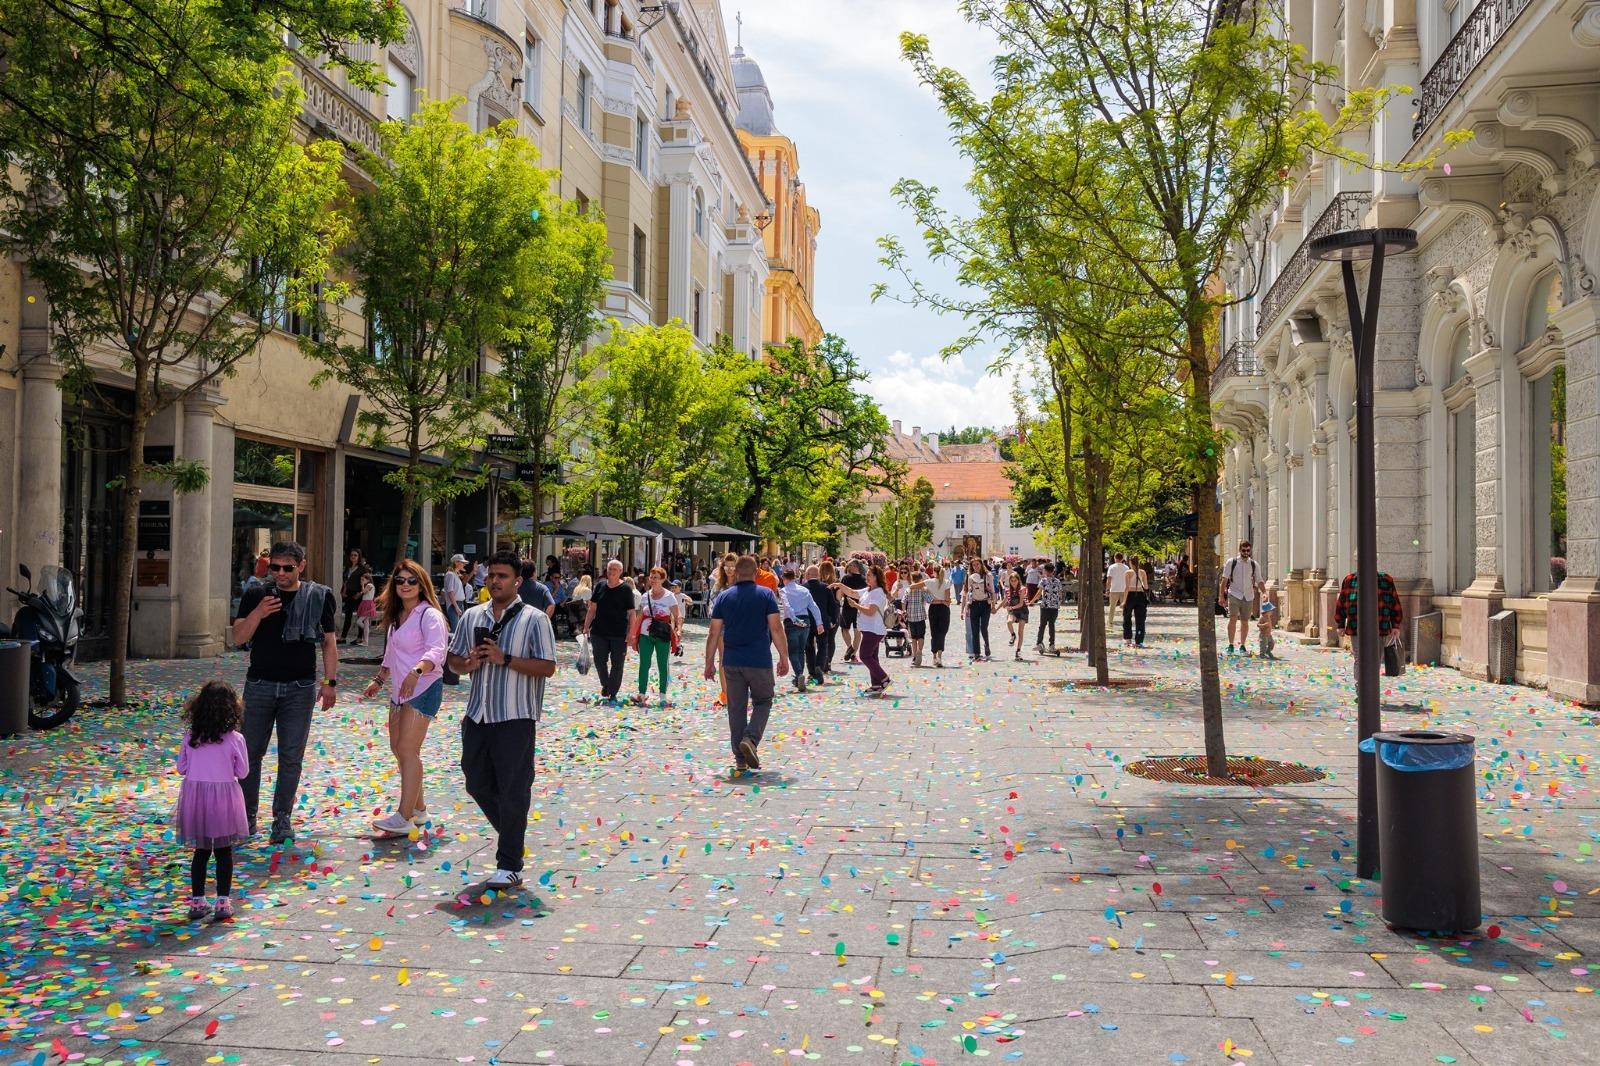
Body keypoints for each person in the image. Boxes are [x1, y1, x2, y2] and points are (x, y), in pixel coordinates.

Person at [445, 550, 557, 891]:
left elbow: (547, 666)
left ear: (517, 581)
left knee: (513, 789)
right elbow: (452, 661)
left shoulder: (535, 619)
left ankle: (509, 863)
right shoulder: (471, 616)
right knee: (476, 782)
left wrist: (504, 658)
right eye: (491, 575)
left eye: (503, 576)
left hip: (515, 715)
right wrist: (469, 664)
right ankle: (513, 834)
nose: (495, 581)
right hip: (478, 713)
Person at [230, 540, 337, 845]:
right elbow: (238, 637)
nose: (279, 573)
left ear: (301, 566)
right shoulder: (256, 593)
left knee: (291, 757)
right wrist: (258, 614)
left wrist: (329, 683)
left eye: (287, 568)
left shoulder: (319, 596)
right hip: (260, 684)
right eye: (274, 567)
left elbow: (329, 642)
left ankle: (282, 820)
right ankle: (246, 818)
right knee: (249, 754)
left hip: (300, 688)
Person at [362, 559, 449, 835]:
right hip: (399, 690)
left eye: (412, 580)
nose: (405, 585)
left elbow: (437, 651)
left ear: (421, 584)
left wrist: (416, 670)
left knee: (408, 750)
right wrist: (379, 679)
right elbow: (391, 654)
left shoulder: (429, 615)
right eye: (400, 580)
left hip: (423, 688)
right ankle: (419, 809)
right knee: (398, 749)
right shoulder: (397, 617)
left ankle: (404, 816)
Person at [704, 555, 790, 774]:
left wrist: (709, 663)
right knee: (763, 701)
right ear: (755, 574)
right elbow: (776, 628)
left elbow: (714, 632)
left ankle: (740, 759)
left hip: (731, 662)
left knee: (736, 708)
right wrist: (783, 656)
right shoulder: (766, 595)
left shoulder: (724, 597)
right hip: (759, 660)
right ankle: (750, 739)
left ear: (737, 573)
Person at [173, 681, 250, 921]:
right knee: (224, 851)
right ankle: (223, 902)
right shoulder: (236, 738)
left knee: (201, 851)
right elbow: (244, 772)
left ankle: (197, 902)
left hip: (196, 799)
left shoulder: (191, 736)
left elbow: (181, 768)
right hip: (225, 799)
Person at [835, 565, 891, 694]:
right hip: (868, 629)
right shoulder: (868, 590)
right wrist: (839, 585)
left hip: (874, 629)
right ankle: (876, 685)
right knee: (873, 657)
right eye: (867, 574)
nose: (867, 576)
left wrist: (856, 605)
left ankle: (884, 678)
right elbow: (853, 592)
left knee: (864, 655)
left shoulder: (878, 592)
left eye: (870, 575)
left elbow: (871, 611)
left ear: (877, 577)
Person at [583, 559, 632, 702]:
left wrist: (630, 633)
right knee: (599, 661)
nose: (611, 572)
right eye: (610, 569)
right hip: (599, 631)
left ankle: (612, 691)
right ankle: (606, 684)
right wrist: (586, 626)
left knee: (617, 664)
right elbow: (592, 608)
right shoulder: (600, 586)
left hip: (619, 633)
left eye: (615, 570)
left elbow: (632, 614)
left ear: (620, 572)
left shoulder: (626, 589)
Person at [1334, 570, 1405, 666]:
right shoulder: (1349, 580)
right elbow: (1341, 603)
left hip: (1379, 625)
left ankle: (1371, 680)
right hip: (1356, 625)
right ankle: (1359, 681)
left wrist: (1396, 625)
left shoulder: (1386, 579)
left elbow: (1394, 602)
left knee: (1376, 659)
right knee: (1359, 659)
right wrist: (1340, 624)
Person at [631, 567, 680, 704]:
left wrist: (679, 630)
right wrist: (633, 633)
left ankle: (663, 695)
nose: (652, 580)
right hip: (645, 634)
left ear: (663, 579)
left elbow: (677, 616)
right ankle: (641, 694)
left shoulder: (669, 596)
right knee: (644, 664)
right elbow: (641, 615)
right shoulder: (645, 596)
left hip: (662, 634)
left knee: (662, 664)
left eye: (656, 578)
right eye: (651, 577)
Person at [777, 568, 824, 692]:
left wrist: (794, 619)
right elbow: (814, 607)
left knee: (792, 651)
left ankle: (799, 675)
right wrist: (819, 623)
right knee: (801, 650)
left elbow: (786, 607)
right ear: (795, 577)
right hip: (806, 620)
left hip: (792, 623)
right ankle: (799, 676)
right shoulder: (804, 590)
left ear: (783, 578)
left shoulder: (783, 591)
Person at [1218, 541, 1265, 655]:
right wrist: (1221, 596)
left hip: (1248, 596)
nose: (1246, 553)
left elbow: (1259, 580)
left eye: (1248, 550)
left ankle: (1243, 645)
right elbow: (1224, 579)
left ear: (1250, 551)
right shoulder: (1232, 562)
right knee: (1233, 618)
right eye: (1243, 550)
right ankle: (1230, 645)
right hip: (1234, 594)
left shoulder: (1254, 564)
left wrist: (1264, 592)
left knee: (1245, 621)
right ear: (1240, 550)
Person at [803, 563, 839, 680]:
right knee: (823, 646)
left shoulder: (803, 588)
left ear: (807, 575)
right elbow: (833, 607)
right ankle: (819, 666)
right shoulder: (825, 587)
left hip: (807, 622)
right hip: (822, 622)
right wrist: (833, 620)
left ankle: (812, 671)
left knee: (809, 647)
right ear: (818, 575)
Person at [962, 558, 994, 662]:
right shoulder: (970, 577)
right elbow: (968, 592)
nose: (976, 567)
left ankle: (987, 646)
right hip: (974, 604)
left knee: (984, 627)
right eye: (974, 565)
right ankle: (977, 653)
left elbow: (992, 591)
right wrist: (966, 608)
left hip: (985, 604)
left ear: (981, 564)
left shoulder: (988, 576)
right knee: (974, 630)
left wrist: (993, 605)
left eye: (977, 564)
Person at [339, 548, 372, 644]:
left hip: (359, 594)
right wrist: (343, 591)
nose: (353, 557)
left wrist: (360, 593)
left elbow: (367, 582)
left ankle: (359, 638)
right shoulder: (347, 568)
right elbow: (345, 581)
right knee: (347, 615)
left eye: (355, 555)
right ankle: (343, 637)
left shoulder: (363, 568)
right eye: (351, 555)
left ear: (359, 557)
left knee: (360, 616)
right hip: (348, 593)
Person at [838, 559, 868, 664]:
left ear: (855, 566)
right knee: (857, 632)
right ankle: (853, 653)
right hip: (859, 607)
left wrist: (838, 599)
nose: (848, 567)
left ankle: (850, 648)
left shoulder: (846, 578)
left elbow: (841, 592)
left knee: (844, 629)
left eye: (850, 565)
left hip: (847, 607)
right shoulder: (865, 579)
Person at [902, 569, 932, 667]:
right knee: (921, 636)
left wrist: (904, 611)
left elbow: (903, 601)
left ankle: (914, 655)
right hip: (920, 616)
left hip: (911, 616)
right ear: (920, 579)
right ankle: (919, 651)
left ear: (911, 579)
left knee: (914, 637)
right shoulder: (922, 589)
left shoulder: (908, 589)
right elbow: (929, 600)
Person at [926, 562, 953, 668]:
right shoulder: (947, 582)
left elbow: (913, 586)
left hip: (933, 609)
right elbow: (947, 599)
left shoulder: (929, 581)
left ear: (934, 572)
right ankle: (939, 657)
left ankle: (934, 656)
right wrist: (943, 601)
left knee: (934, 632)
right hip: (944, 609)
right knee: (942, 632)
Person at [1034, 562, 1064, 653]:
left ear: (1046, 571)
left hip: (1045, 606)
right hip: (1054, 607)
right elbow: (1060, 594)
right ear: (1053, 571)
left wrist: (1032, 601)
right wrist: (1059, 602)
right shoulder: (1058, 581)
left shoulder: (1043, 580)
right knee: (1052, 625)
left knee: (1042, 625)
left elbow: (1039, 593)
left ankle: (1039, 643)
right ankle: (1052, 645)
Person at [1003, 570, 1030, 661]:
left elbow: (1021, 604)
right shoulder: (1008, 590)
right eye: (1012, 581)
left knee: (1020, 632)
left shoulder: (1022, 589)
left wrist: (1011, 607)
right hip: (1013, 611)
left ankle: (1018, 651)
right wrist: (996, 608)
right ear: (1009, 581)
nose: (1013, 582)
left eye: (1015, 580)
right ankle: (1013, 635)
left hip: (1022, 610)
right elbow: (1005, 600)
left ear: (1018, 580)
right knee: (1009, 622)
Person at [1124, 556, 1150, 648]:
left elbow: (1126, 588)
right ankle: (1139, 640)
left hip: (1130, 595)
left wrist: (1124, 601)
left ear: (1130, 562)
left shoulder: (1128, 572)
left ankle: (1128, 639)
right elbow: (1146, 587)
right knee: (1140, 620)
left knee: (1127, 617)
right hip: (1140, 595)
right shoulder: (1142, 572)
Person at [1105, 553, 1130, 640]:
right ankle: (1125, 622)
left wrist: (1107, 589)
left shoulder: (1112, 567)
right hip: (1124, 589)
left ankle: (1110, 623)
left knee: (1112, 607)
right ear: (1122, 558)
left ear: (1115, 558)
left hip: (1114, 589)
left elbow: (1109, 579)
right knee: (1125, 608)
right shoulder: (1126, 567)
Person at [443, 555, 468, 629]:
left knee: (460, 629)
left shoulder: (455, 574)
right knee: (456, 629)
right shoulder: (450, 574)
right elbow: (450, 591)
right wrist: (456, 607)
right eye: (462, 562)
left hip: (459, 603)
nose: (463, 564)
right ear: (456, 563)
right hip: (454, 604)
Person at [354, 571, 378, 647]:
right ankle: (365, 642)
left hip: (367, 604)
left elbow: (364, 592)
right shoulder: (368, 585)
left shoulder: (369, 585)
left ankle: (367, 631)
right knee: (366, 622)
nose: (362, 581)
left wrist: (362, 585)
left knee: (359, 621)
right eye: (361, 580)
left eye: (363, 579)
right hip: (365, 603)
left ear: (368, 579)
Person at [1257, 594, 1278, 660]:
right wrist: (1264, 625)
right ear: (1266, 611)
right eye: (1270, 610)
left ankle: (1268, 651)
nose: (1272, 612)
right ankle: (1262, 654)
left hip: (1269, 634)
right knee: (1263, 644)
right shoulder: (1262, 618)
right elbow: (1258, 625)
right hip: (1263, 635)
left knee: (1271, 643)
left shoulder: (1268, 617)